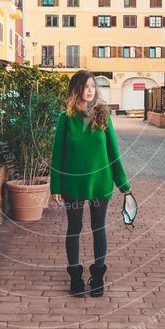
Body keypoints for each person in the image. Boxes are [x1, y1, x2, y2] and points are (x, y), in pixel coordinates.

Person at [50, 70, 132, 298]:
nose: (90, 90)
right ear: (76, 89)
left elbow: (113, 151)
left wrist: (123, 182)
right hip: (73, 184)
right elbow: (58, 153)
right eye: (86, 86)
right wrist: (55, 185)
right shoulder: (65, 118)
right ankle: (75, 277)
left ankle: (97, 276)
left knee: (98, 228)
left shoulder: (103, 115)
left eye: (93, 87)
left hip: (100, 182)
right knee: (74, 229)